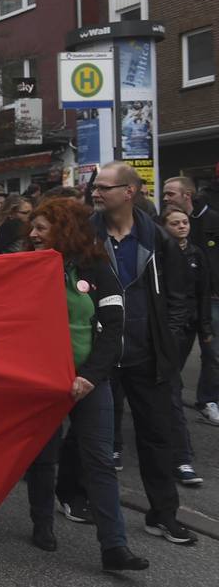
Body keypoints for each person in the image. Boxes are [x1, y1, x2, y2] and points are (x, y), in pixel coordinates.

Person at [62, 162, 195, 545]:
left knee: (157, 435)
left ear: (129, 192)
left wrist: (166, 341)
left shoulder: (157, 238)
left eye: (104, 187)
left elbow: (177, 297)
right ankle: (71, 494)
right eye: (95, 187)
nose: (96, 193)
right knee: (89, 435)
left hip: (145, 355)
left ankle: (163, 514)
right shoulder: (84, 236)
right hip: (99, 354)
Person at [23, 198, 149, 572]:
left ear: (65, 231)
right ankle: (41, 524)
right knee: (44, 458)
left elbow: (113, 327)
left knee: (99, 461)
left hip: (90, 380)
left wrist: (90, 376)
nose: (31, 234)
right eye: (32, 227)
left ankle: (114, 547)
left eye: (41, 229)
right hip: (41, 381)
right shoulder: (25, 267)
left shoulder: (98, 267)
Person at [161, 205, 212, 486]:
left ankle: (181, 456)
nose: (182, 226)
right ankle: (180, 457)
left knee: (172, 385)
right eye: (175, 223)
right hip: (163, 330)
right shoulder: (160, 254)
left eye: (184, 222)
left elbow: (203, 292)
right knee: (169, 388)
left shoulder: (196, 254)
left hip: (187, 326)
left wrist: (205, 328)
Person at [162, 176, 219, 424]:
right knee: (175, 357)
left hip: (210, 299)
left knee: (212, 353)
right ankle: (168, 400)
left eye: (170, 193)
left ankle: (208, 400)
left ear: (187, 194)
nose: (165, 198)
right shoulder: (162, 226)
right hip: (178, 304)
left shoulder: (212, 220)